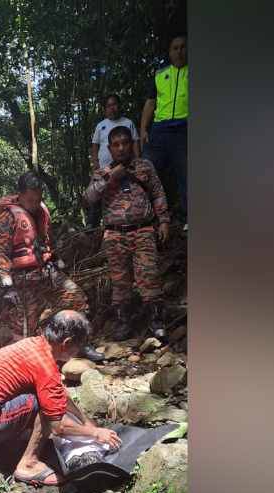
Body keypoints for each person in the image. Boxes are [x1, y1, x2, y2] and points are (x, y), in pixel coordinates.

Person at [0, 310, 121, 487]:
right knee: (42, 405)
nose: (76, 353)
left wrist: (85, 421)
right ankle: (28, 463)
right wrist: (95, 433)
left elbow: (59, 392)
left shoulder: (31, 345)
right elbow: (58, 427)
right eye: (77, 348)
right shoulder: (46, 367)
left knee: (20, 395)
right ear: (67, 343)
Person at [0, 171, 104, 362]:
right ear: (20, 195)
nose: (34, 204)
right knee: (24, 326)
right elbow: (1, 252)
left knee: (76, 298)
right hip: (23, 280)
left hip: (47, 272)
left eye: (38, 199)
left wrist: (57, 259)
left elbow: (46, 240)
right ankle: (23, 365)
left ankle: (80, 344)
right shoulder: (7, 217)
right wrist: (7, 285)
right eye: (30, 199)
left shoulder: (42, 210)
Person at [83, 125, 171, 341]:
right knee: (120, 283)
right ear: (110, 149)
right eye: (116, 145)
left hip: (143, 231)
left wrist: (164, 221)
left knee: (149, 277)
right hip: (114, 236)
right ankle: (124, 323)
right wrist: (111, 177)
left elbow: (158, 193)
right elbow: (88, 199)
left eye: (125, 143)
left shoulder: (144, 167)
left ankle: (156, 322)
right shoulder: (102, 173)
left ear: (131, 145)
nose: (121, 148)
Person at [140, 33, 187, 220]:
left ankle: (186, 219)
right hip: (159, 128)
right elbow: (150, 103)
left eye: (183, 47)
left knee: (186, 173)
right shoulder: (160, 73)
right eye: (175, 48)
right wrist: (143, 128)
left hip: (184, 128)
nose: (179, 51)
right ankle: (145, 215)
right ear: (169, 52)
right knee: (145, 170)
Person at [90, 94, 140, 171]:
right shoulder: (100, 125)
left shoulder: (128, 123)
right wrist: (95, 162)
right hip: (104, 168)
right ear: (105, 109)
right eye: (108, 106)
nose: (112, 108)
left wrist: (137, 160)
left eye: (114, 104)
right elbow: (95, 145)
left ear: (119, 105)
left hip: (126, 167)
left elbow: (135, 142)